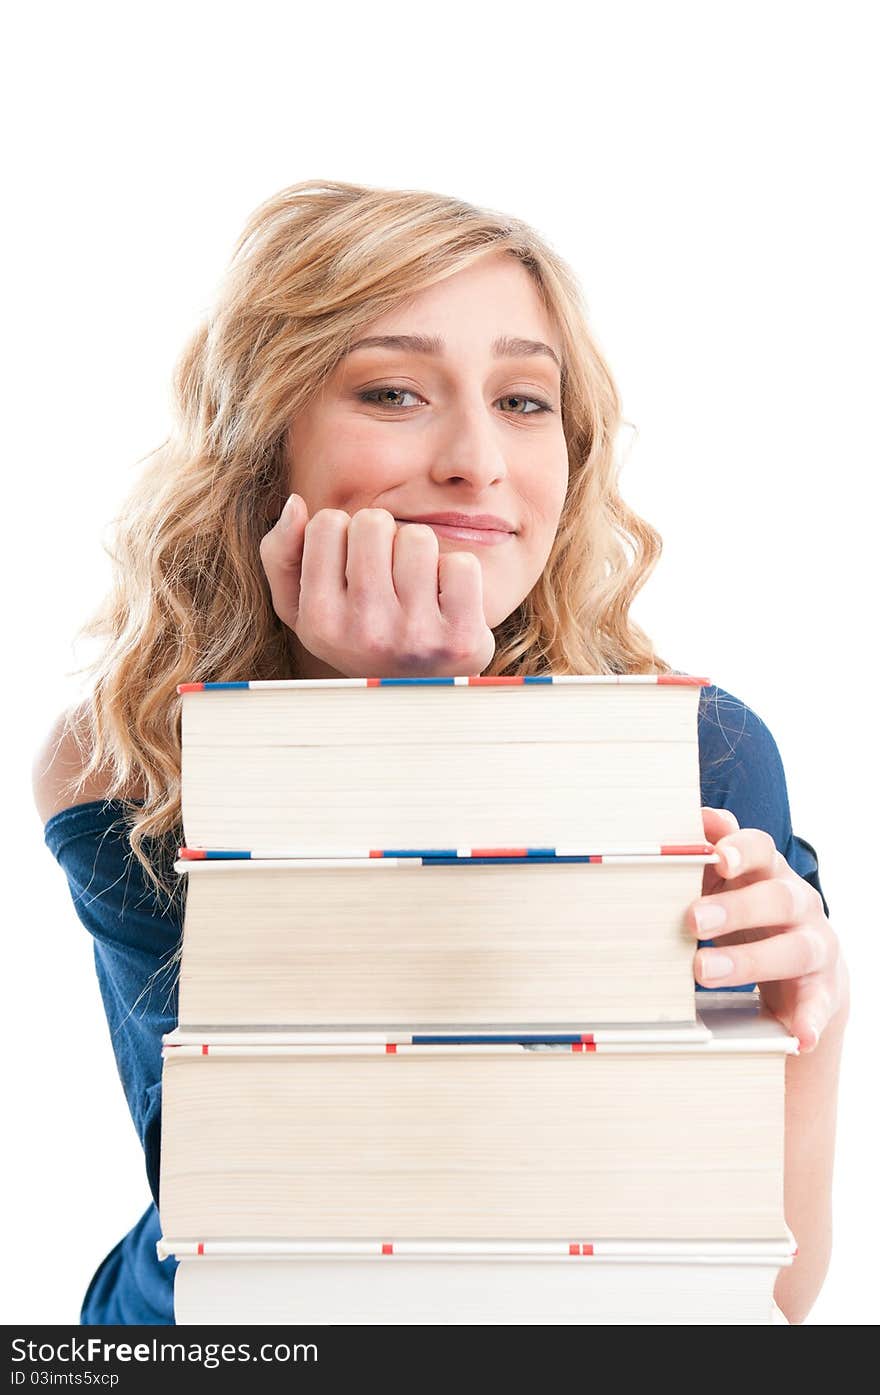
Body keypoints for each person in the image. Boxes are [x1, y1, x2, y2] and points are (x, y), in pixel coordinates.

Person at [33, 179, 848, 1326]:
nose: (477, 460)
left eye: (523, 402)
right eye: (394, 391)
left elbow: (767, 1294)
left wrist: (813, 1010)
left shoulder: (695, 752)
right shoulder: (133, 754)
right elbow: (280, 1217)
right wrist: (397, 732)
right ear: (265, 442)